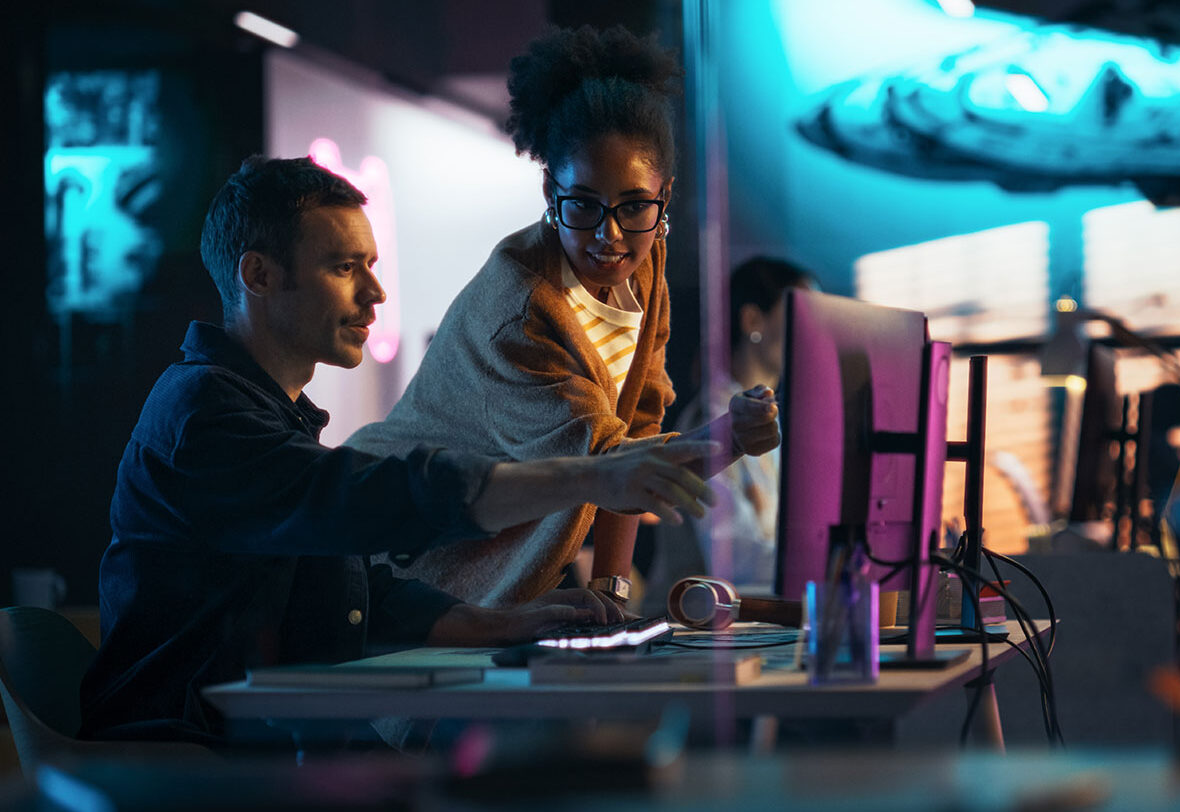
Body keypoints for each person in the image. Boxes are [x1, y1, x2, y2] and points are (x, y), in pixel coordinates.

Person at [79, 156, 716, 746]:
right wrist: (594, 477)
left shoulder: (258, 411)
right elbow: (363, 498)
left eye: (371, 266)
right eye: (343, 267)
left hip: (248, 747)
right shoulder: (202, 415)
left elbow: (358, 589)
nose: (374, 295)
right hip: (186, 758)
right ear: (259, 275)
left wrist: (507, 622)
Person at [346, 26, 779, 609]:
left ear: (664, 197)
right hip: (403, 560)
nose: (610, 235)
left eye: (633, 206)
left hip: (492, 567)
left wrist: (612, 587)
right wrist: (731, 437)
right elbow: (607, 465)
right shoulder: (520, 311)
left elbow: (639, 424)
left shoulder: (643, 260)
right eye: (584, 205)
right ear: (551, 191)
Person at [643, 258, 816, 607]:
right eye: (803, 316)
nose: (814, 334)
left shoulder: (767, 421)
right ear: (753, 320)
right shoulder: (710, 422)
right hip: (686, 638)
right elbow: (735, 562)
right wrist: (828, 563)